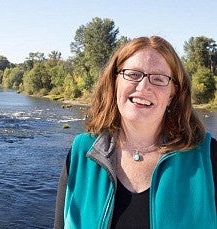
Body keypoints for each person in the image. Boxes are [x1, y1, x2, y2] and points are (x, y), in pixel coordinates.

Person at [54, 36, 217, 228]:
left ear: (172, 94)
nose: (143, 87)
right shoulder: (81, 153)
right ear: (115, 82)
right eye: (132, 74)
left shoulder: (208, 157)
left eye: (158, 79)